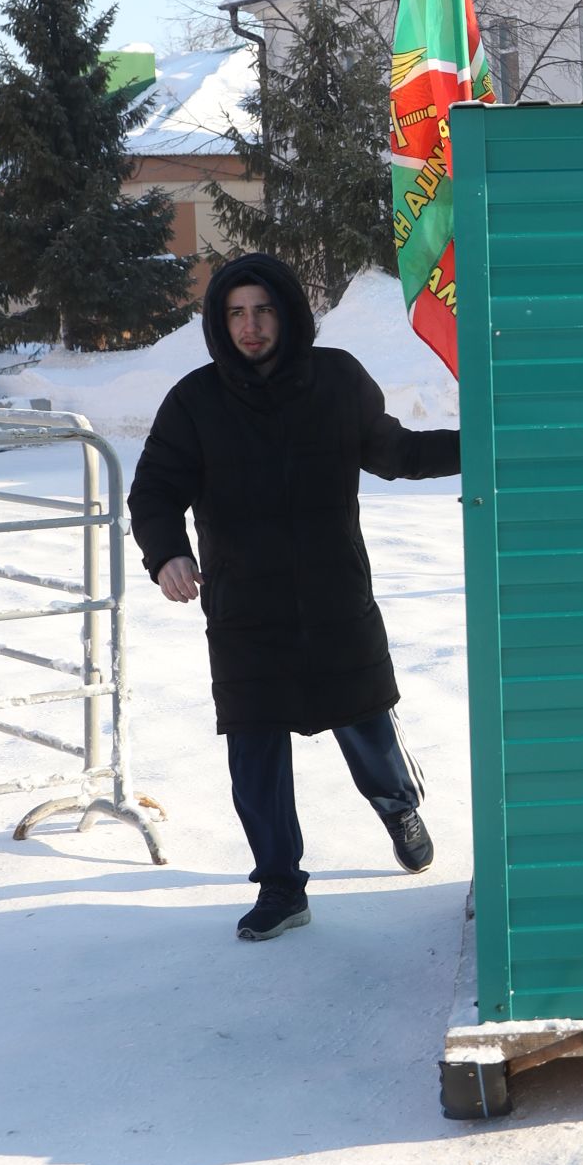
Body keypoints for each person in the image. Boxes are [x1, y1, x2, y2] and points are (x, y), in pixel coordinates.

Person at [128, 251, 460, 941]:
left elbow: (394, 453)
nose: (251, 327)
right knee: (254, 749)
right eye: (236, 314)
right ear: (221, 323)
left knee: (365, 720)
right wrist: (166, 555)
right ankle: (280, 884)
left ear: (288, 312)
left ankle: (397, 806)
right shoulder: (196, 400)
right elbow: (155, 490)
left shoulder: (337, 379)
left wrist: (481, 446)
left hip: (335, 593)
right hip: (246, 608)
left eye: (264, 310)